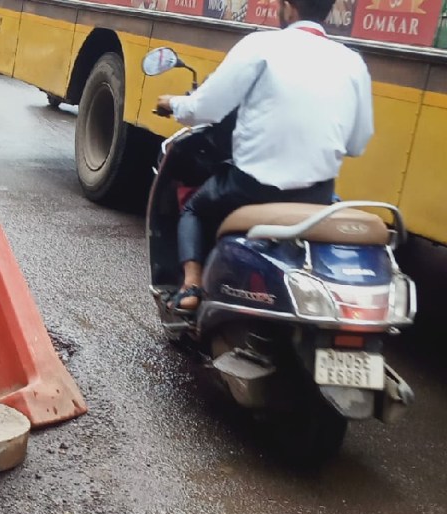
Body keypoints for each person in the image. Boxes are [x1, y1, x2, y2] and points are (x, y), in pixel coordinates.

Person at [155, 0, 373, 312]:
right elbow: (357, 144)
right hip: (316, 196)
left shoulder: (260, 46)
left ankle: (191, 287)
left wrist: (173, 104)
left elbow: (207, 108)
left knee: (194, 209)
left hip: (251, 188)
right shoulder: (353, 63)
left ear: (290, 8)